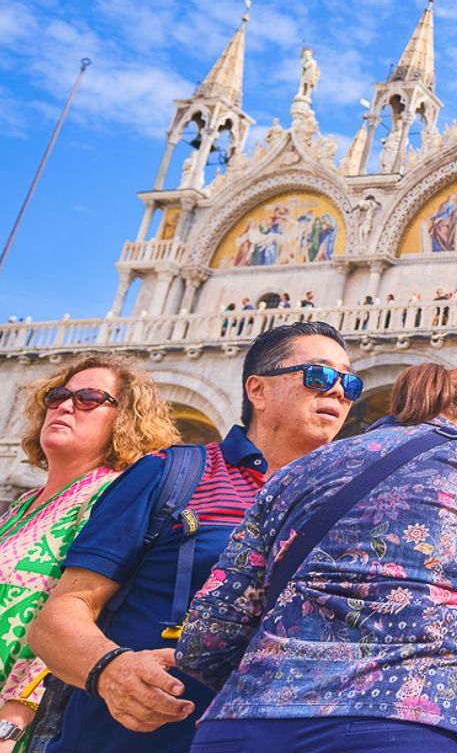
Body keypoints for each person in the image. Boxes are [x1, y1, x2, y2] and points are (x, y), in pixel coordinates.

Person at [176, 362, 457, 750]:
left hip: (248, 727)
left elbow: (203, 638)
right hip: (417, 724)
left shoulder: (298, 470)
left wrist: (274, 683)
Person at [26, 322, 357, 753]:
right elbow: (58, 617)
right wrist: (109, 670)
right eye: (318, 374)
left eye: (350, 383)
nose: (338, 391)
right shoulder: (172, 472)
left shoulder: (351, 508)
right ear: (258, 390)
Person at [0, 355, 177, 753]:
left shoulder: (110, 499)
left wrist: (4, 731)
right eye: (57, 396)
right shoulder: (22, 506)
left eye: (89, 398)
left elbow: (79, 616)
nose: (65, 405)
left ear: (125, 419)